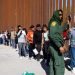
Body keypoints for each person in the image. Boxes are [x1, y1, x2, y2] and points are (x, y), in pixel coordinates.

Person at [48, 9, 65, 75]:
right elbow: (53, 35)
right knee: (59, 64)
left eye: (61, 15)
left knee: (53, 63)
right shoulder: (54, 23)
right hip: (55, 47)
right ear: (56, 15)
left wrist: (67, 24)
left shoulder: (56, 23)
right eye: (59, 14)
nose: (61, 16)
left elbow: (59, 30)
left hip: (54, 46)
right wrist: (59, 46)